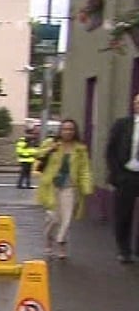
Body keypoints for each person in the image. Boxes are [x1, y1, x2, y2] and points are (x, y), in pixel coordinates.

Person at [35, 119, 93, 259]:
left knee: (66, 219)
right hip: (51, 186)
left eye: (71, 129)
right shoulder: (51, 143)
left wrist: (86, 187)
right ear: (60, 131)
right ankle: (49, 239)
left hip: (69, 186)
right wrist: (50, 149)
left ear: (75, 131)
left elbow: (84, 169)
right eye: (65, 129)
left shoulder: (80, 148)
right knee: (54, 218)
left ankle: (61, 243)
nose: (68, 132)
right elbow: (38, 155)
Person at [106, 93, 139, 263]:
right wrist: (117, 174)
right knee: (124, 214)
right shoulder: (122, 124)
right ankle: (124, 250)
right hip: (126, 175)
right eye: (137, 102)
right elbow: (110, 150)